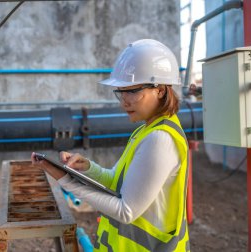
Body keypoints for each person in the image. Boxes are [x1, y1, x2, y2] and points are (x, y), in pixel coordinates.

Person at [31, 39, 190, 251]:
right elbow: (115, 182)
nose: (124, 101)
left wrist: (66, 181)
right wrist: (87, 167)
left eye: (132, 91)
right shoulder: (144, 131)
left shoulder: (160, 138)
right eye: (121, 91)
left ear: (160, 90)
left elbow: (126, 211)